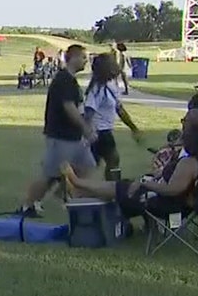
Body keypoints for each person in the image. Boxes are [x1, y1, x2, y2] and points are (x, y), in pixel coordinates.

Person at [61, 126, 198, 222]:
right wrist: (154, 177)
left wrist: (146, 183)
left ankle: (77, 185)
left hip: (166, 205)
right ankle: (79, 190)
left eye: (185, 134)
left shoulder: (190, 163)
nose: (182, 136)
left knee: (122, 188)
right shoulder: (190, 160)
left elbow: (172, 189)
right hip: (167, 199)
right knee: (125, 186)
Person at [19, 44, 95, 217]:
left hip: (74, 137)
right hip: (61, 136)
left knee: (86, 166)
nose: (86, 61)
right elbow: (69, 108)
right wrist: (85, 128)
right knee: (50, 174)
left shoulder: (71, 80)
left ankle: (62, 194)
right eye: (84, 57)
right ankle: (27, 206)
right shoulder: (63, 80)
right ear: (73, 58)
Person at [84, 53, 142, 178]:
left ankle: (111, 186)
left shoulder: (110, 85)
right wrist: (88, 132)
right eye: (113, 63)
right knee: (111, 160)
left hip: (103, 132)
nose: (117, 66)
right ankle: (113, 187)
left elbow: (120, 110)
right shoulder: (98, 88)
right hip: (99, 132)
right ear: (106, 68)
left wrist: (133, 128)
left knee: (100, 163)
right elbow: (89, 111)